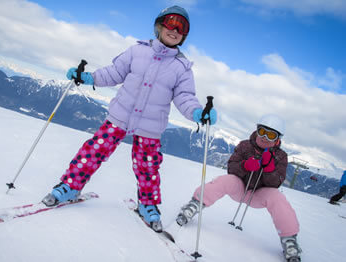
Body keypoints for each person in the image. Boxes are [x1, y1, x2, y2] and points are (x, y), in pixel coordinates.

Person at [41, 5, 217, 232]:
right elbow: (114, 73)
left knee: (147, 167)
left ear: (184, 35)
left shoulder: (182, 68)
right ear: (160, 25)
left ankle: (148, 205)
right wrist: (88, 77)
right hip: (120, 116)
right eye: (171, 23)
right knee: (93, 151)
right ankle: (70, 187)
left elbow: (184, 97)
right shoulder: (137, 50)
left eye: (181, 27)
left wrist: (197, 112)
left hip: (150, 126)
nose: (175, 30)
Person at [176, 114, 302, 262]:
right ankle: (194, 204)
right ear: (257, 130)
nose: (265, 138)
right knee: (225, 180)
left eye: (271, 135)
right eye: (262, 132)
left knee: (277, 197)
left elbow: (276, 183)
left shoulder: (281, 156)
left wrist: (269, 170)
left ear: (277, 139)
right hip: (240, 188)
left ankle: (289, 239)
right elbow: (231, 167)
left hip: (259, 194)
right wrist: (244, 166)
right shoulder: (245, 146)